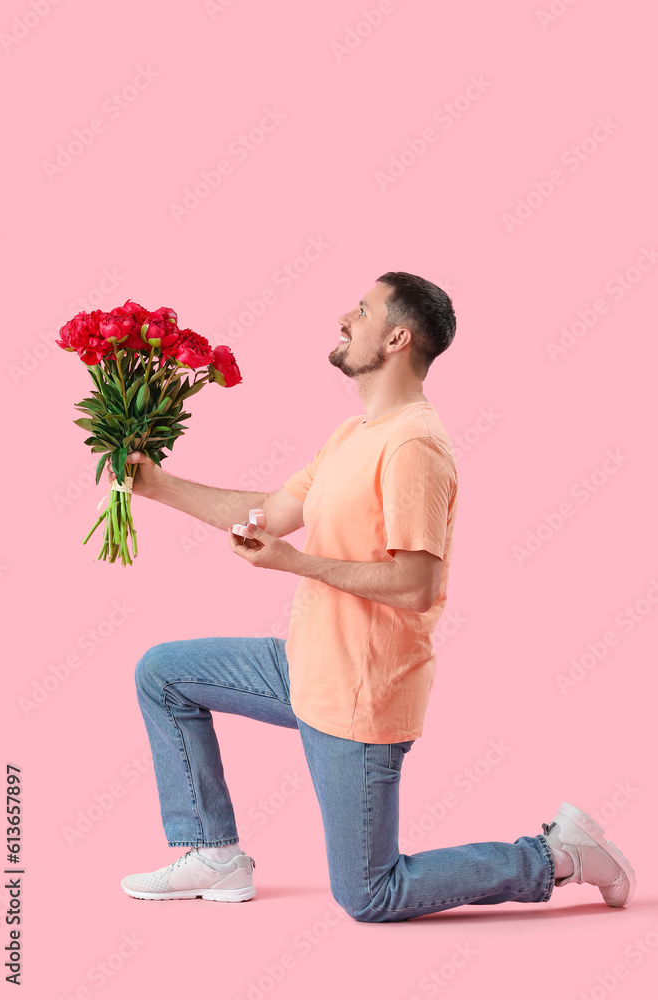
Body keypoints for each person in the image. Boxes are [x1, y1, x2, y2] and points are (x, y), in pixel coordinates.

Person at [116, 272, 635, 919]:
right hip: (306, 667)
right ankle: (213, 854)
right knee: (163, 674)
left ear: (396, 337)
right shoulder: (351, 435)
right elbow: (268, 512)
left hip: (359, 695)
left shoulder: (414, 444)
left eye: (360, 311)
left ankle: (558, 854)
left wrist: (296, 563)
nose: (344, 318)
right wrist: (155, 485)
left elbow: (416, 584)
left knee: (369, 893)